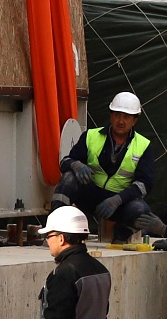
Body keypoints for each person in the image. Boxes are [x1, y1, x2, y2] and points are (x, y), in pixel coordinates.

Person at [51, 92, 164, 237]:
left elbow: (144, 184)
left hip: (120, 203)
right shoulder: (91, 136)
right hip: (89, 196)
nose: (121, 121)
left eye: (126, 117)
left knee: (140, 210)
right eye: (117, 115)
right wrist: (76, 165)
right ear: (111, 116)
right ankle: (56, 229)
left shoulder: (143, 146)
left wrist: (117, 200)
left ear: (134, 121)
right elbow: (65, 162)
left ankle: (122, 234)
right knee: (68, 179)